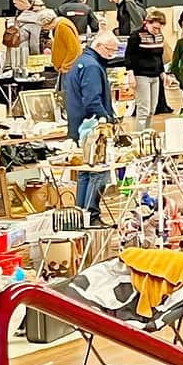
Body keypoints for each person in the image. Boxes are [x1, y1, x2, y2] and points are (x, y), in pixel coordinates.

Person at [66, 32, 118, 225]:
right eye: (111, 51)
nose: (113, 55)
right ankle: (91, 214)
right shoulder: (92, 67)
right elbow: (92, 100)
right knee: (98, 171)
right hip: (93, 127)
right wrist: (106, 120)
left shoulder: (82, 61)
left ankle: (81, 216)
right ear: (101, 46)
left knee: (85, 171)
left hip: (79, 124)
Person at [124, 10, 166, 130]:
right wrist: (130, 74)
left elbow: (159, 56)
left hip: (155, 75)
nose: (157, 31)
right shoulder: (136, 36)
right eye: (154, 28)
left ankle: (147, 134)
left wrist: (163, 73)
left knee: (152, 109)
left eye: (160, 28)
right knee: (143, 109)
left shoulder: (159, 36)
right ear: (147, 23)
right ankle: (139, 136)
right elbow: (128, 56)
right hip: (141, 75)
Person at [41, 10, 80, 75]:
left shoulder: (62, 26)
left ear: (47, 23)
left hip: (68, 70)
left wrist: (65, 67)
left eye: (44, 26)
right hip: (66, 68)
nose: (45, 29)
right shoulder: (62, 23)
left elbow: (74, 49)